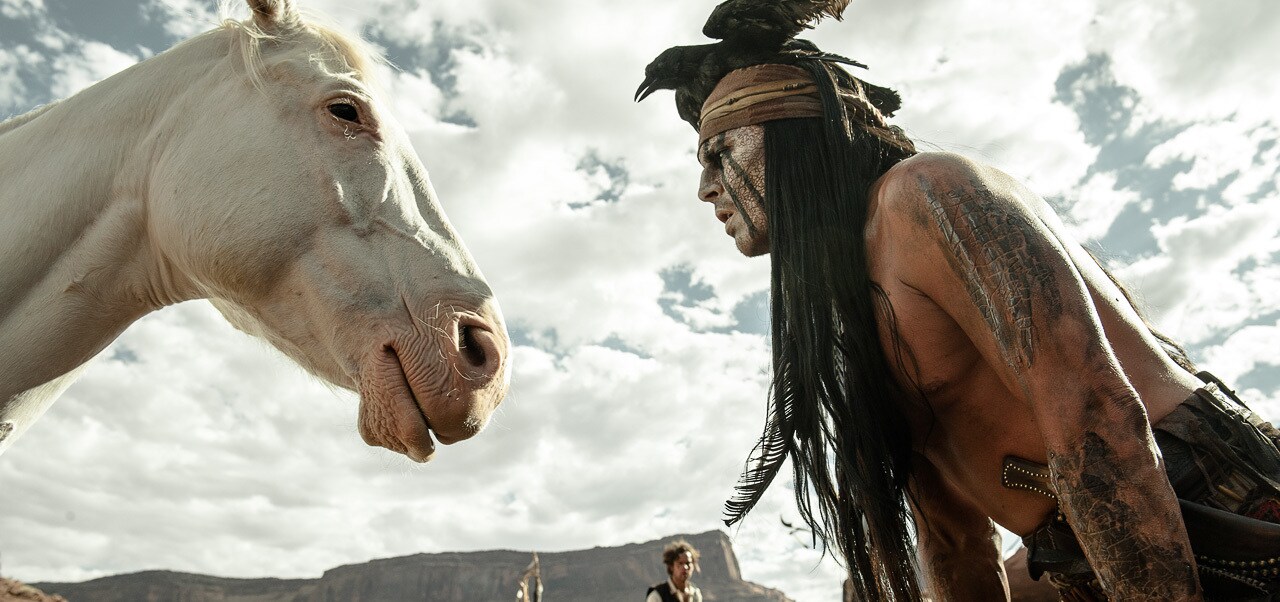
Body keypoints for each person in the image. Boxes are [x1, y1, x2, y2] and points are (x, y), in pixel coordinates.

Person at [636, 1, 1280, 600]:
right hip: (1075, 548)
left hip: (1206, 501)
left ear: (793, 134)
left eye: (719, 152)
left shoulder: (926, 195)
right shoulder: (848, 320)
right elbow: (954, 538)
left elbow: (1096, 415)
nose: (705, 188)